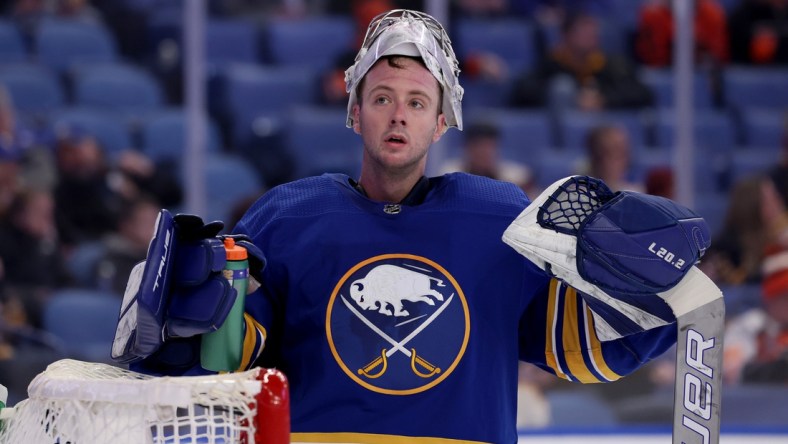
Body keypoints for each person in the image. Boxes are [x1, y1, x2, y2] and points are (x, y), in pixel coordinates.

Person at [122, 10, 704, 443]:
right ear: (355, 112)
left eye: (417, 102)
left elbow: (573, 346)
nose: (399, 114)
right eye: (381, 98)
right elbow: (233, 357)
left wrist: (651, 291)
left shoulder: (499, 218)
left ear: (443, 119)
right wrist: (201, 313)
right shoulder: (287, 214)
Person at [510, 12, 654, 110]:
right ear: (566, 35)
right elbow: (523, 93)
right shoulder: (551, 64)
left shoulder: (611, 65)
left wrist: (603, 100)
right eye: (583, 32)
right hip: (565, 124)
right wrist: (574, 100)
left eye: (593, 32)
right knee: (562, 87)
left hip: (604, 126)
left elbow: (643, 93)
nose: (591, 37)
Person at [438, 121, 537, 195]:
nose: (484, 152)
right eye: (479, 146)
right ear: (467, 148)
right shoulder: (449, 174)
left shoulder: (518, 177)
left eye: (489, 146)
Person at [583, 124, 645, 193]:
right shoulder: (577, 192)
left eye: (621, 153)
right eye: (607, 152)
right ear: (593, 154)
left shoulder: (638, 194)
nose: (613, 161)